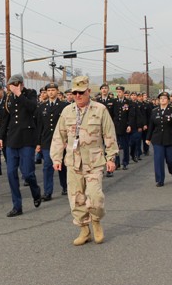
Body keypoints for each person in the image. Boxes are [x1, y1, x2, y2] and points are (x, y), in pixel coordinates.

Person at [50, 76, 118, 246]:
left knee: (95, 197)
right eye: (75, 93)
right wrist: (56, 157)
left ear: (88, 91)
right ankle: (84, 230)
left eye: (81, 92)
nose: (78, 96)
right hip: (73, 162)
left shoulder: (100, 109)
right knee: (76, 199)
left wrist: (111, 158)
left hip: (94, 161)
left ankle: (96, 222)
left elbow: (109, 134)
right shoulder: (67, 111)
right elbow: (59, 136)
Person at [0, 74, 42, 217]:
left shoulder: (30, 94)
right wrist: (0, 137)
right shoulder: (8, 98)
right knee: (11, 173)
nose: (15, 87)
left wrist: (19, 94)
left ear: (22, 84)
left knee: (28, 173)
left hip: (27, 139)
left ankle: (36, 191)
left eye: (18, 85)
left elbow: (33, 108)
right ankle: (17, 206)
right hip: (12, 140)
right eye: (13, 85)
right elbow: (5, 118)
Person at [36, 82, 68, 201]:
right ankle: (47, 192)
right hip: (47, 141)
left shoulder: (64, 106)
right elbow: (39, 126)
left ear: (57, 91)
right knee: (47, 166)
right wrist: (38, 143)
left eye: (53, 90)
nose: (50, 92)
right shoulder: (42, 107)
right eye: (48, 90)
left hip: (61, 141)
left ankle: (65, 186)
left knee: (62, 166)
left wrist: (67, 141)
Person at [146, 91, 172, 186]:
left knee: (171, 160)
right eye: (161, 98)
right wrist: (148, 138)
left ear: (168, 100)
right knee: (158, 160)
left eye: (165, 98)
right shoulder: (154, 111)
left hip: (170, 139)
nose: (162, 100)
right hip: (157, 139)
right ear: (158, 100)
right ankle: (160, 179)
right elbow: (151, 126)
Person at [112, 86, 135, 170]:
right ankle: (117, 162)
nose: (119, 93)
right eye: (117, 92)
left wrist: (129, 125)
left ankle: (125, 162)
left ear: (123, 92)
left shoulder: (128, 102)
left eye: (120, 92)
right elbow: (112, 114)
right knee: (116, 146)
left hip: (125, 126)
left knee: (125, 145)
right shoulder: (114, 102)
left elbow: (131, 115)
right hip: (116, 126)